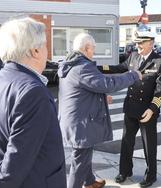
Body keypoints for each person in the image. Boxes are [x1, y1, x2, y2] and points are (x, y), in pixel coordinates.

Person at [0, 17, 67, 188]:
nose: (47, 52)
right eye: (45, 46)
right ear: (35, 51)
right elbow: (13, 166)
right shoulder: (32, 92)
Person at [58, 33, 142, 188]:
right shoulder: (83, 67)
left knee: (84, 153)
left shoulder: (72, 63)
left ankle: (89, 181)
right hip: (80, 123)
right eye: (93, 48)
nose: (94, 51)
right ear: (87, 48)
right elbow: (107, 83)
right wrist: (132, 75)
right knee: (80, 159)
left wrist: (103, 97)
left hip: (74, 119)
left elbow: (84, 89)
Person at [98, 26, 161, 187]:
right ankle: (124, 171)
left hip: (147, 111)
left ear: (151, 42)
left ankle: (151, 176)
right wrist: (96, 67)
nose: (138, 46)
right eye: (137, 43)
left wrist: (152, 109)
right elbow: (118, 68)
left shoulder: (160, 61)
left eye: (141, 42)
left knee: (149, 145)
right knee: (126, 142)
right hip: (130, 108)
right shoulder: (134, 57)